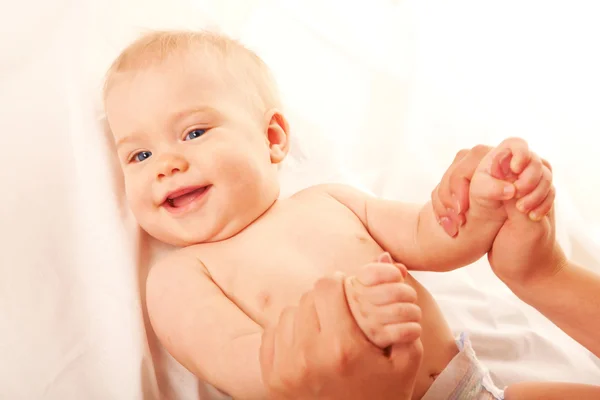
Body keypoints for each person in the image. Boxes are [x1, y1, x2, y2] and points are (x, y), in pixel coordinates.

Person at [101, 29, 593, 398]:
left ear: (272, 139)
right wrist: (349, 331)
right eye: (139, 156)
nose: (167, 164)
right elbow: (250, 368)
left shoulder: (331, 201)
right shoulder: (180, 276)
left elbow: (433, 237)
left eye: (193, 133)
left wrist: (486, 205)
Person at [260, 145, 600, 399]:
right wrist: (543, 274)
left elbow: (423, 237)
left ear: (273, 135)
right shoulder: (204, 275)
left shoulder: (325, 200)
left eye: (203, 133)